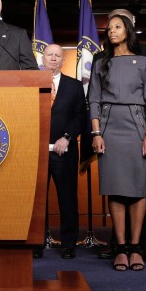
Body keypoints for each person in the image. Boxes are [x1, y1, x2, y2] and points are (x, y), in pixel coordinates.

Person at [95, 9, 146, 263]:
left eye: (117, 27)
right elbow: (93, 99)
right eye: (109, 28)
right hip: (109, 129)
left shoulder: (144, 61)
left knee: (138, 189)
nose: (112, 31)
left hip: (137, 128)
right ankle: (121, 249)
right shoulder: (101, 61)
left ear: (128, 30)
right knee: (115, 190)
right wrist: (96, 133)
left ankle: (136, 248)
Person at [41, 44, 86, 259]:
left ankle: (69, 244)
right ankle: (36, 243)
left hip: (64, 151)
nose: (53, 58)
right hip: (37, 152)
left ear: (62, 60)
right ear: (43, 58)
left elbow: (79, 116)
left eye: (58, 55)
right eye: (49, 54)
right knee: (36, 201)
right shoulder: (32, 84)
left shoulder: (75, 86)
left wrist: (66, 137)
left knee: (67, 199)